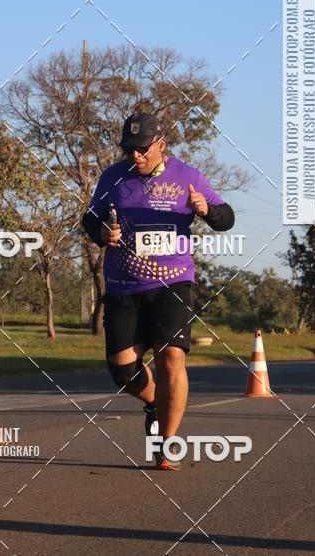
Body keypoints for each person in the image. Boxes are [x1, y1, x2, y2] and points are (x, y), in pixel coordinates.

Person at [82, 112, 235, 469]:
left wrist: (206, 209)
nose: (134, 156)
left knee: (171, 360)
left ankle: (167, 442)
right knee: (122, 372)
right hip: (123, 287)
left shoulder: (188, 177)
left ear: (161, 145)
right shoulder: (112, 177)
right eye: (128, 149)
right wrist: (102, 232)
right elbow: (90, 217)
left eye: (141, 149)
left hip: (173, 285)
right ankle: (155, 403)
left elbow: (227, 218)